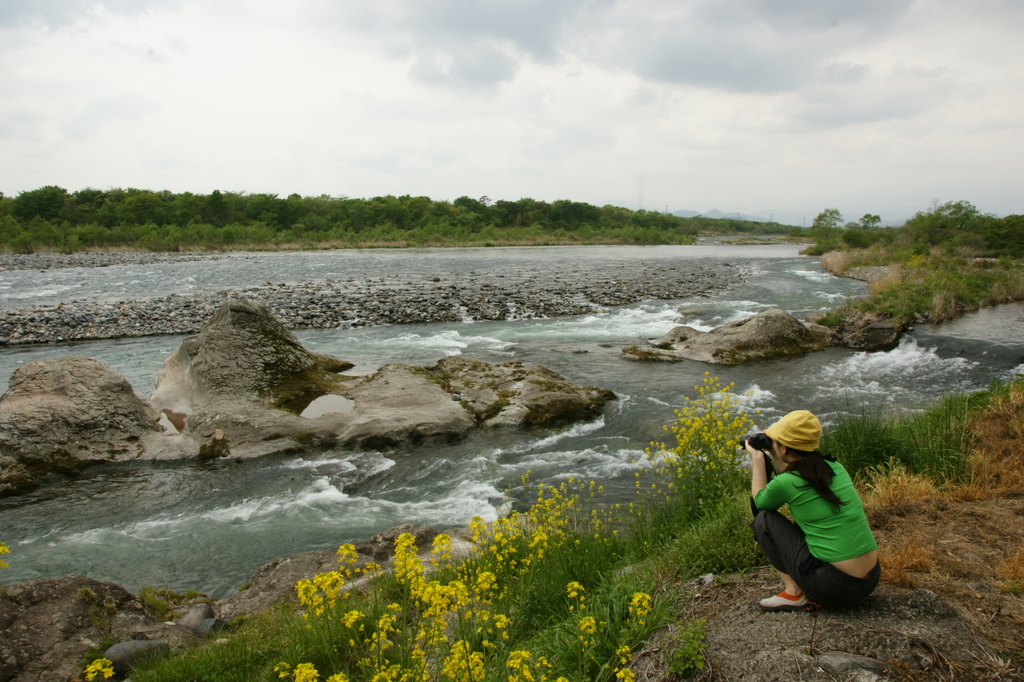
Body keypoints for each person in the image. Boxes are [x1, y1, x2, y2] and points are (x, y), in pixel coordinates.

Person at [744, 410, 879, 611]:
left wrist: (758, 459)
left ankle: (794, 593)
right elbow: (789, 468)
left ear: (783, 448)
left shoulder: (788, 482)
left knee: (764, 520)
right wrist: (777, 449)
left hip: (835, 587)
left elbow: (761, 504)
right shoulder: (835, 466)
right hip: (870, 578)